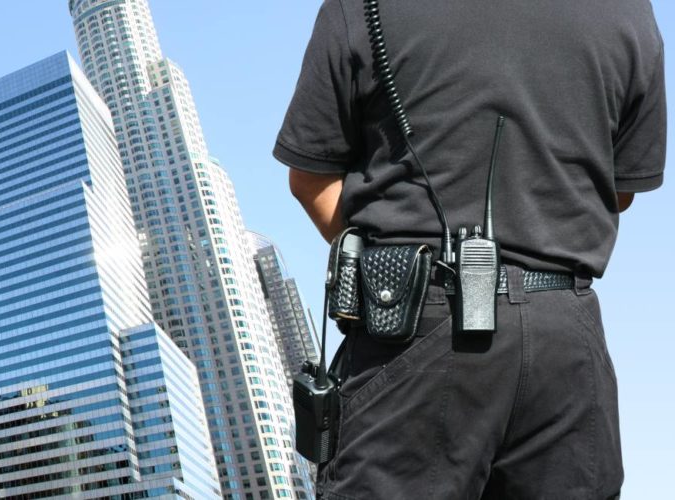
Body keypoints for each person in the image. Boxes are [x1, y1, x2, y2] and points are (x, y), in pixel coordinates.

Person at [273, 1, 665, 499]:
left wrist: (393, 273)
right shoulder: (631, 10)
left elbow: (310, 176)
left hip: (415, 322)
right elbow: (620, 188)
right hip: (566, 334)